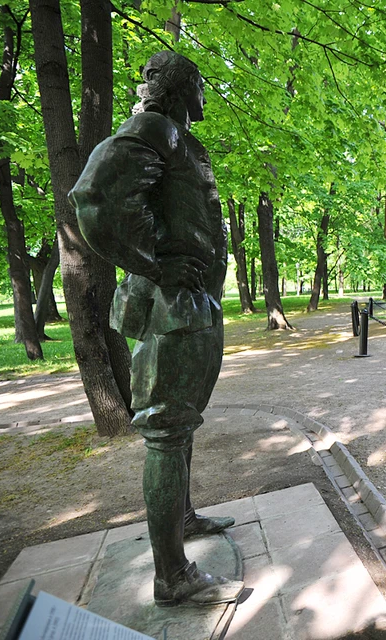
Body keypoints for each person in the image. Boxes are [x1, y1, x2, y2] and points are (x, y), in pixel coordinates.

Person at [70, 52, 244, 606]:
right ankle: (172, 576)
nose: (203, 97)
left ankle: (182, 517)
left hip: (188, 303)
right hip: (171, 305)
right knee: (168, 430)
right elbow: (94, 197)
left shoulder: (171, 135)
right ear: (178, 88)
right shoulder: (153, 128)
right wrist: (150, 261)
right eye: (198, 85)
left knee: (179, 423)